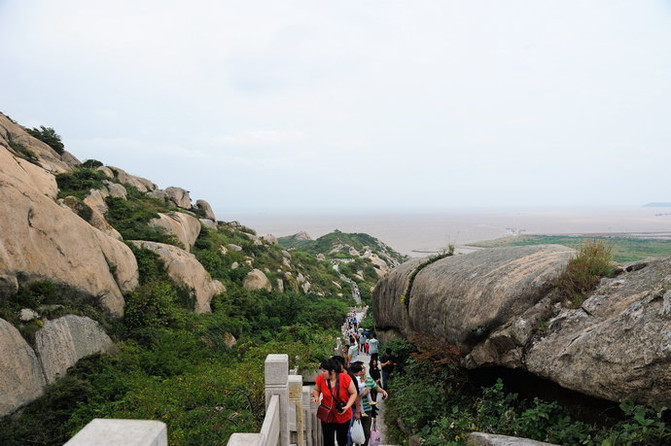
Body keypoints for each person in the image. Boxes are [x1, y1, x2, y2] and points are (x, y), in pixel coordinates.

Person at [312, 358, 358, 446]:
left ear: (332, 371)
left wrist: (348, 406)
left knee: (342, 440)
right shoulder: (321, 379)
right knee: (328, 441)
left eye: (324, 371)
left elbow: (354, 393)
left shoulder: (345, 378)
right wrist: (316, 397)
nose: (322, 373)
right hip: (327, 415)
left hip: (343, 414)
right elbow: (316, 390)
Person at [351, 362, 388, 446]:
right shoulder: (353, 380)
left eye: (364, 368)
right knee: (357, 432)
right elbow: (353, 397)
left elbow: (376, 387)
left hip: (368, 410)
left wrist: (383, 391)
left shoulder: (368, 379)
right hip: (356, 410)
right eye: (362, 368)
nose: (364, 369)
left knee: (366, 432)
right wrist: (363, 394)